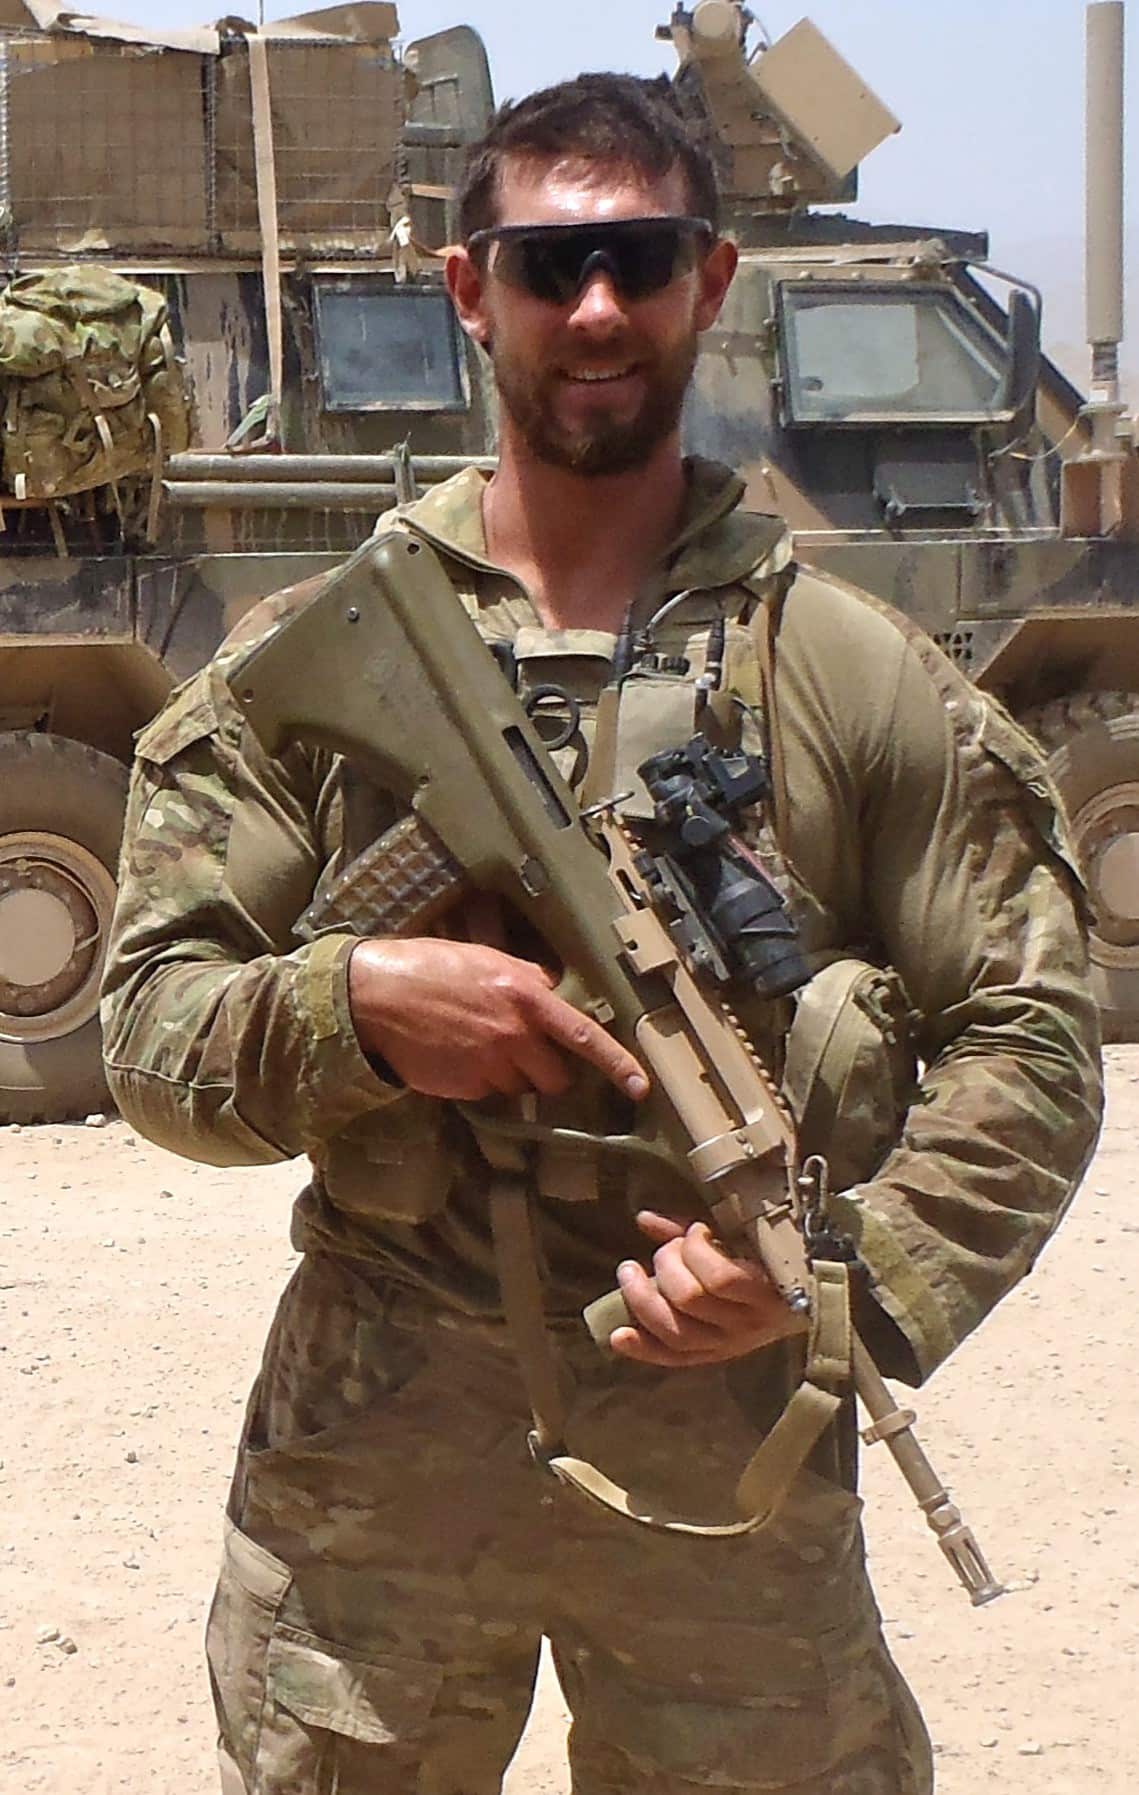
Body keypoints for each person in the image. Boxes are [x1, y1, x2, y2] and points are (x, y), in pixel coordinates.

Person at [101, 72, 1103, 1795]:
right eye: (548, 263)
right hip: (383, 1435)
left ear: (709, 284)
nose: (594, 310)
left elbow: (1032, 1040)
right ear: (465, 288)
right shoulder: (314, 659)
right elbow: (146, 1029)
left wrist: (849, 1280)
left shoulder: (848, 672)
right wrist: (356, 1004)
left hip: (731, 1450)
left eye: (639, 260)